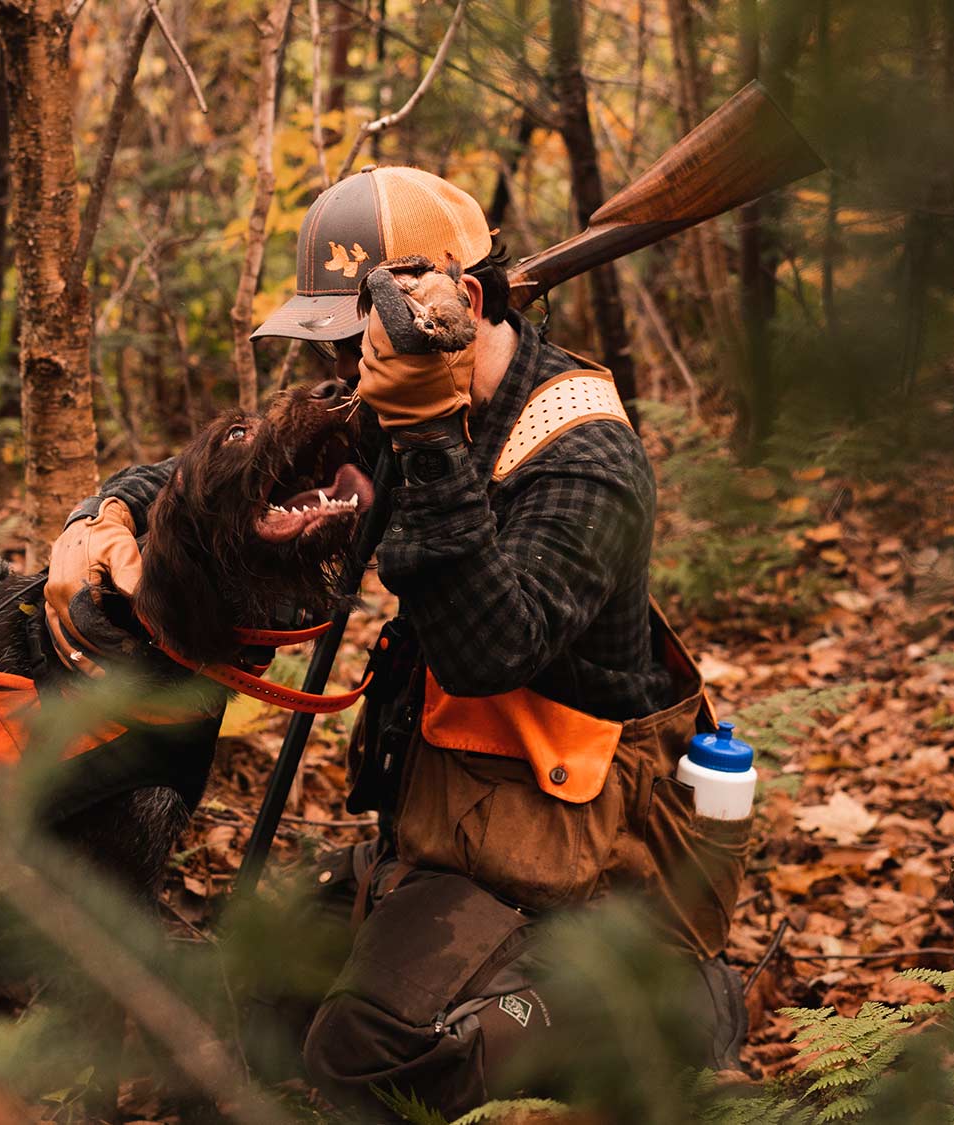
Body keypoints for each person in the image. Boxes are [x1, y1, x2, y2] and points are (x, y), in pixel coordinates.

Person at [44, 166, 749, 1116]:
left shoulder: (586, 455)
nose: (344, 370)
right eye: (337, 343)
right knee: (257, 988)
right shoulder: (396, 396)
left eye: (356, 339)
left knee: (364, 1055)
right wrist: (102, 521)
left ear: (458, 300)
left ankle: (666, 1011)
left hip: (585, 881)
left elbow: (490, 649)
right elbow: (202, 480)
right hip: (457, 846)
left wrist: (426, 437)